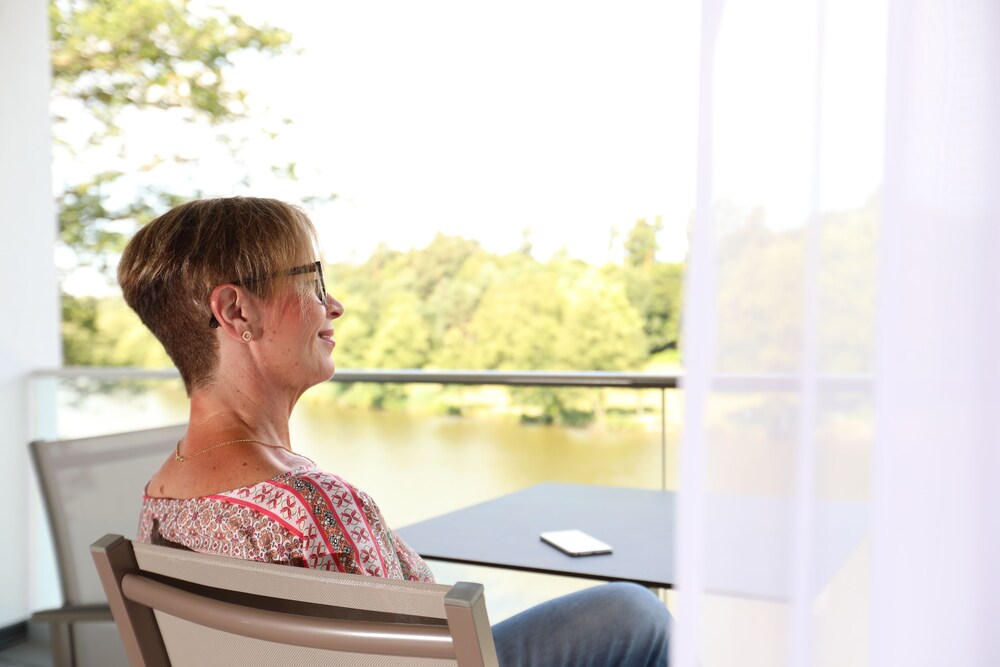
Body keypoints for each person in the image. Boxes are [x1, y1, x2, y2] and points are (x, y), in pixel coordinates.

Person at [119, 196, 671, 666]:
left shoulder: (161, 499)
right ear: (236, 311)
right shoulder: (314, 506)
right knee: (634, 612)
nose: (334, 305)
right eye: (313, 281)